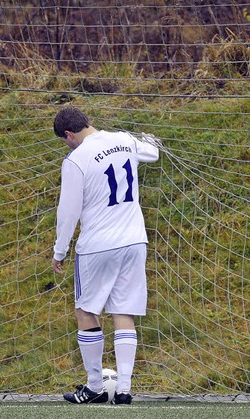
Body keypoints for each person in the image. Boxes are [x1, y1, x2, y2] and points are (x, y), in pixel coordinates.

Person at [51, 107, 160, 405]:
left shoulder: (76, 159)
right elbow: (152, 153)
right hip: (135, 241)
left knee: (85, 311)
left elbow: (68, 211)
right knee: (123, 311)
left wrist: (59, 251)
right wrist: (147, 139)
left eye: (65, 140)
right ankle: (123, 390)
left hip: (98, 245)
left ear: (69, 135)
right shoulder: (124, 139)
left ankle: (95, 386)